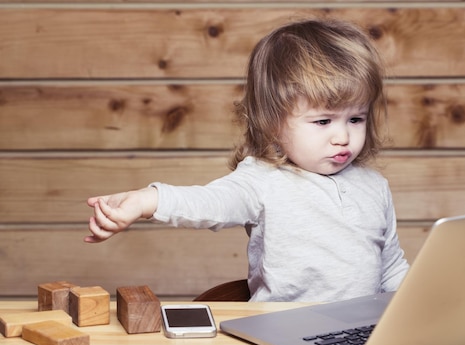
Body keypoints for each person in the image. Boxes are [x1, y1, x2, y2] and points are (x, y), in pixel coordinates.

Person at [85, 18, 410, 302]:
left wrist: (422, 304)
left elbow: (391, 267)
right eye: (323, 122)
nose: (342, 137)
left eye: (356, 119)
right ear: (274, 122)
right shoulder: (263, 181)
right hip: (283, 334)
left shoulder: (374, 186)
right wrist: (147, 200)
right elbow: (210, 203)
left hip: (359, 334)